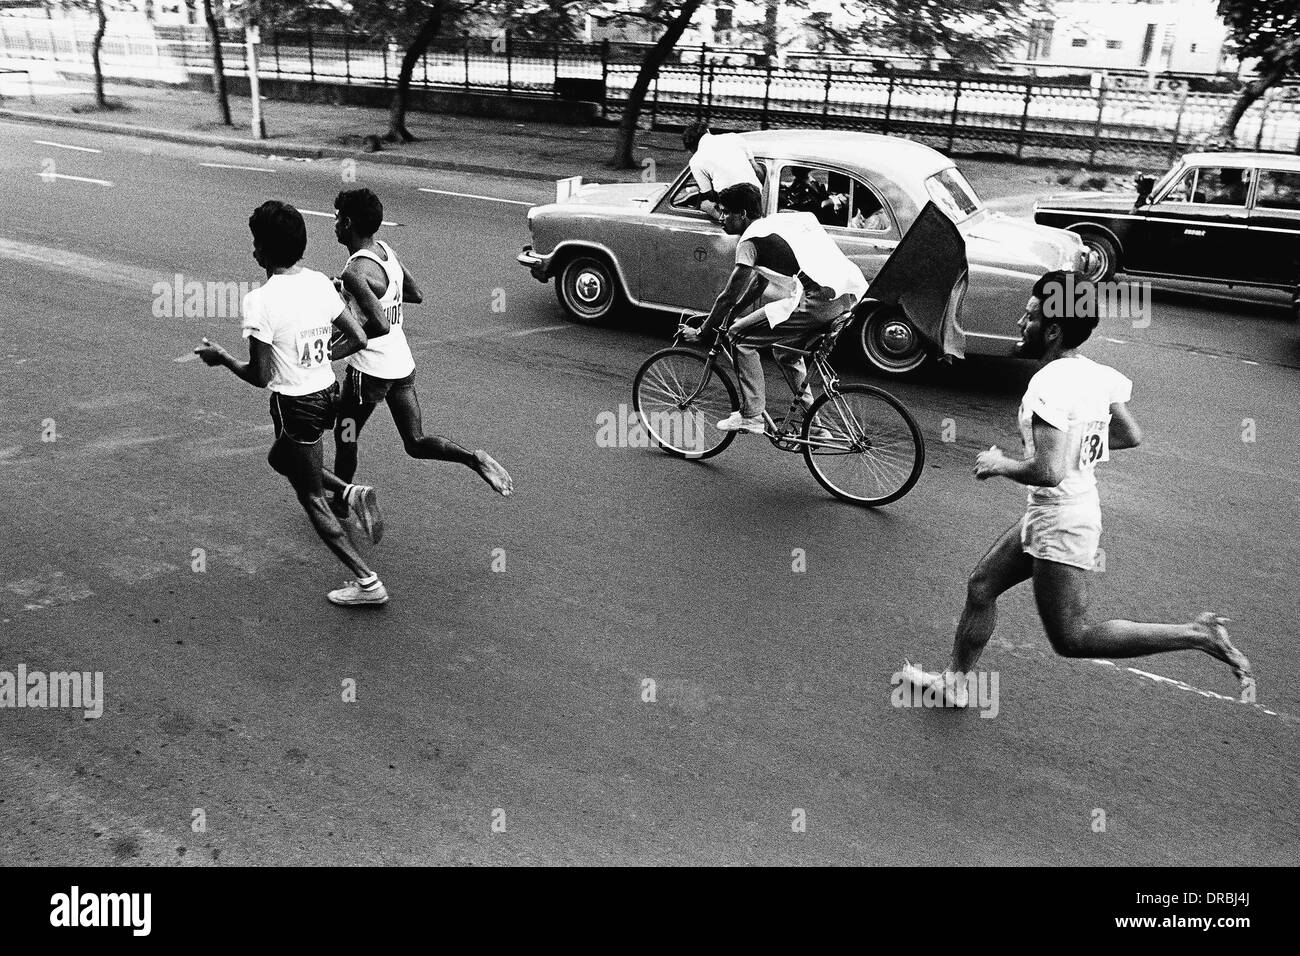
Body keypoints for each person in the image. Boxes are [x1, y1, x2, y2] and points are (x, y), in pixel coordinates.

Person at [903, 271, 1255, 706]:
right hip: (1059, 509)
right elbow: (1129, 434)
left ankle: (1197, 634)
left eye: (1029, 317)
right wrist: (1073, 450)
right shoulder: (1094, 374)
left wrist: (1000, 465)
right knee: (981, 585)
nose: (1020, 323)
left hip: (1061, 519)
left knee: (1073, 637)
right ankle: (955, 683)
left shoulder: (1047, 385)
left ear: (1052, 330)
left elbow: (1047, 472)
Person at [195, 200, 388, 607]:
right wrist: (317, 357)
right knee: (279, 459)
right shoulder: (319, 281)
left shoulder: (260, 301)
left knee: (311, 497)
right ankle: (352, 492)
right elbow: (358, 338)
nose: (252, 251)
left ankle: (368, 582)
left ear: (265, 250)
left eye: (255, 243)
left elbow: (261, 376)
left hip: (294, 405)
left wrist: (224, 359)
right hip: (327, 395)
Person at [330, 187, 512, 532]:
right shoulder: (385, 251)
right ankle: (473, 459)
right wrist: (354, 293)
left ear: (349, 223)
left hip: (368, 374)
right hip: (402, 366)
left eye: (337, 217)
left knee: (346, 436)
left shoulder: (356, 270)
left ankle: (340, 502)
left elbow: (377, 324)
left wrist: (327, 355)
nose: (334, 224)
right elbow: (414, 293)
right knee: (415, 442)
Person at [681, 182, 866, 435]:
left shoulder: (749, 242)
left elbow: (727, 296)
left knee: (739, 337)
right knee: (786, 354)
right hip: (846, 297)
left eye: (725, 212)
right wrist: (735, 312)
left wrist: (703, 331)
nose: (720, 218)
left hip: (817, 300)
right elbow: (759, 282)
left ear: (742, 214)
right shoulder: (776, 224)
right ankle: (815, 426)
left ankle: (752, 415)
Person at [681, 121, 762, 219]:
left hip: (733, 207)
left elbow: (710, 196)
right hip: (756, 198)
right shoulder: (734, 138)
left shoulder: (695, 160)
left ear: (692, 148)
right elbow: (757, 170)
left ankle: (724, 220)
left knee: (704, 204)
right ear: (707, 131)